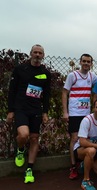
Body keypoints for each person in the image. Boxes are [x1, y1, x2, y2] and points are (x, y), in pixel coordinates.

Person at [6, 44, 51, 183]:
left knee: (34, 138)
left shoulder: (46, 73)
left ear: (43, 56)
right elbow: (12, 90)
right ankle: (20, 150)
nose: (37, 55)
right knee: (24, 135)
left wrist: (45, 112)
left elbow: (46, 95)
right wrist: (10, 110)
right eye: (35, 52)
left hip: (36, 110)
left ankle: (29, 168)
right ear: (31, 54)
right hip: (21, 108)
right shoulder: (20, 69)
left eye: (40, 53)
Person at [62, 54, 97, 179]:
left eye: (88, 62)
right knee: (74, 138)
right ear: (80, 62)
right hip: (74, 113)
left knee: (85, 138)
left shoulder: (92, 76)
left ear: (91, 63)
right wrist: (65, 112)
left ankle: (82, 162)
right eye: (84, 61)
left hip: (86, 113)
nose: (86, 63)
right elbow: (64, 92)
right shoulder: (73, 75)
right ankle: (73, 166)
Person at [73, 99, 97, 190]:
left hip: (96, 151)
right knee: (91, 150)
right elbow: (82, 142)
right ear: (93, 108)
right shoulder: (87, 120)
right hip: (81, 149)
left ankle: (85, 164)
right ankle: (85, 181)